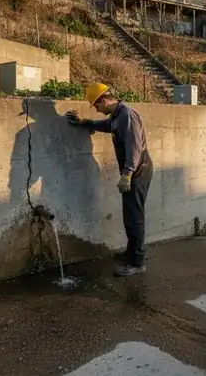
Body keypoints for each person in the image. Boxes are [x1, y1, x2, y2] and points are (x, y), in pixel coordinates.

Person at [66, 82, 154, 277]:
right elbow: (107, 126)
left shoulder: (127, 115)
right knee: (130, 214)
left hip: (139, 169)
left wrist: (127, 174)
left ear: (104, 100)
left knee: (134, 216)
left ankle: (137, 262)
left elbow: (135, 148)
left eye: (97, 106)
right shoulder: (116, 116)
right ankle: (132, 253)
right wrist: (86, 122)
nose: (97, 110)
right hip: (134, 168)